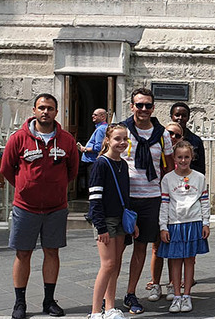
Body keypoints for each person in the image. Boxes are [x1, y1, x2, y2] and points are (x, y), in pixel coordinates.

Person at [0, 94, 79, 319]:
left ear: (56, 111)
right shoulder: (19, 138)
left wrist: (57, 187)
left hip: (56, 208)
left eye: (50, 108)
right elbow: (6, 168)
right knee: (23, 253)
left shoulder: (66, 140)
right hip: (25, 207)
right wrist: (25, 187)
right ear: (34, 110)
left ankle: (48, 301)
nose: (46, 112)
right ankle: (19, 302)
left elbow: (72, 170)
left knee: (51, 252)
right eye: (42, 107)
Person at [121, 88, 174, 314]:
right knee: (114, 252)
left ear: (153, 108)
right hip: (125, 198)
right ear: (132, 106)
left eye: (148, 105)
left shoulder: (162, 134)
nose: (143, 109)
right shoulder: (122, 130)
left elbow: (169, 167)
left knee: (141, 248)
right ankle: (106, 296)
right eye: (139, 105)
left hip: (150, 198)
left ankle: (131, 293)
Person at [158, 141, 210, 313]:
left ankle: (187, 295)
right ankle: (177, 295)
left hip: (193, 222)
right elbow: (164, 203)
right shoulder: (167, 179)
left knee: (189, 260)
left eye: (186, 157)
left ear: (191, 157)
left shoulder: (199, 177)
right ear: (174, 158)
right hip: (174, 223)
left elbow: (204, 202)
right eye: (179, 157)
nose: (183, 160)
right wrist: (163, 226)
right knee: (174, 261)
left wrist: (206, 223)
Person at [87, 124, 133, 319]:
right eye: (117, 139)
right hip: (105, 219)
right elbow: (95, 198)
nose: (122, 143)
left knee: (116, 264)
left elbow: (126, 195)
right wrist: (101, 226)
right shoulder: (101, 164)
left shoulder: (123, 164)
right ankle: (96, 311)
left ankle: (111, 307)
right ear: (107, 140)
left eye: (125, 139)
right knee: (107, 264)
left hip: (121, 218)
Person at [146, 120, 183, 302]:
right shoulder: (157, 154)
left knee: (174, 248)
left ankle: (172, 283)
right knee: (157, 247)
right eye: (170, 133)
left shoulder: (184, 158)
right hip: (158, 203)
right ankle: (155, 283)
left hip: (177, 209)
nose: (173, 137)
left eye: (177, 135)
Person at [170, 102, 206, 175]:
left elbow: (201, 168)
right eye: (177, 115)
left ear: (188, 118)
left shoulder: (196, 141)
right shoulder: (163, 138)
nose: (180, 118)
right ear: (171, 116)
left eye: (184, 116)